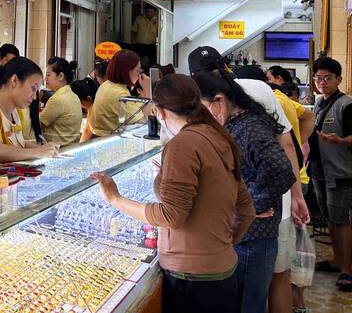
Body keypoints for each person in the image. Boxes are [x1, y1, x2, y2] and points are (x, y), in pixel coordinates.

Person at [92, 74, 255, 313]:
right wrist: (221, 243)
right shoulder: (217, 136)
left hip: (192, 279)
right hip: (222, 271)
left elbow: (171, 216)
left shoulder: (183, 144)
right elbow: (247, 210)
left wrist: (115, 199)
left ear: (159, 111)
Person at [194, 70, 295, 313]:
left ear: (219, 101)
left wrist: (250, 206)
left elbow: (282, 171)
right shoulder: (237, 123)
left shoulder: (249, 128)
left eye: (201, 109)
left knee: (247, 304)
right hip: (246, 235)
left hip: (254, 239)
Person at [189, 48, 310, 231]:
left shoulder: (238, 113)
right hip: (260, 205)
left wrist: (252, 203)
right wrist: (297, 195)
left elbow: (282, 157)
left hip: (255, 209)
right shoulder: (257, 89)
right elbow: (286, 144)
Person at [236, 66, 316, 313]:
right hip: (283, 199)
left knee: (251, 288)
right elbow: (290, 145)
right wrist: (297, 194)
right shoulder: (277, 100)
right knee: (280, 275)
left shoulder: (242, 107)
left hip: (260, 210)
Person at [309, 57, 352, 293]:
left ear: (339, 79)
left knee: (342, 221)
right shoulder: (318, 103)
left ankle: (347, 269)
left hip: (340, 171)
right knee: (330, 219)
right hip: (320, 171)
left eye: (327, 78)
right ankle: (336, 260)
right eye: (318, 78)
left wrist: (341, 140)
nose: (322, 82)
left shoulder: (346, 104)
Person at [0, 57, 59, 171]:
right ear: (14, 80)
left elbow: (16, 144)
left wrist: (41, 147)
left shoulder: (15, 113)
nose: (35, 96)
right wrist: (36, 152)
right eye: (33, 88)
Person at [81, 50, 150, 142]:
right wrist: (148, 90)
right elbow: (144, 122)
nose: (139, 74)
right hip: (108, 143)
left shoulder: (107, 85)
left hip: (100, 140)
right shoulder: (118, 94)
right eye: (138, 71)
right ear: (127, 71)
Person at [40, 57, 83, 146]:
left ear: (60, 76)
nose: (45, 79)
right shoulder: (74, 96)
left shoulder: (57, 99)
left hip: (57, 150)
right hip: (72, 148)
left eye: (48, 75)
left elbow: (39, 125)